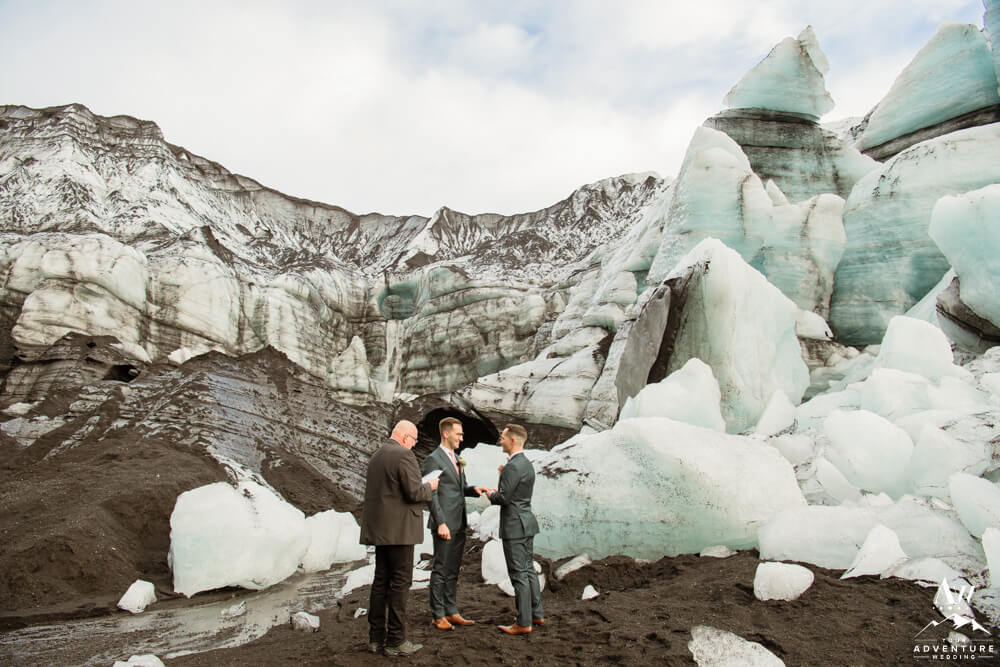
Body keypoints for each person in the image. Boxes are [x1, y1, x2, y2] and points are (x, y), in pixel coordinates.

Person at [359, 419, 439, 657]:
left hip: (381, 531)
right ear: (405, 437)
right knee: (400, 584)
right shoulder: (404, 456)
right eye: (413, 440)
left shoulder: (377, 456)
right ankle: (396, 640)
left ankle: (375, 638)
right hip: (400, 532)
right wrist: (430, 486)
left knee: (380, 582)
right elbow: (414, 492)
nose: (414, 445)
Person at [421, 416, 489, 631]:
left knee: (453, 569)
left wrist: (473, 490)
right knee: (441, 569)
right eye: (458, 434)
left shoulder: (457, 459)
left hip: (459, 522)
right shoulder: (433, 459)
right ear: (446, 433)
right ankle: (438, 614)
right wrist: (440, 523)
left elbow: (460, 487)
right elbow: (430, 494)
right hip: (444, 523)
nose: (461, 438)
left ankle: (451, 610)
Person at [488, 423, 545, 635]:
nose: (500, 440)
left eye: (503, 437)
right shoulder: (526, 464)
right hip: (526, 522)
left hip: (514, 525)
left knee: (518, 573)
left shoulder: (512, 466)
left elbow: (503, 498)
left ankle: (523, 622)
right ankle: (536, 614)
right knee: (528, 569)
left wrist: (490, 494)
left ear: (512, 440)